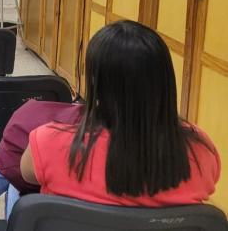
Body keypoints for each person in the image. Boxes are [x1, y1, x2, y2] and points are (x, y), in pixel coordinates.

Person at [20, 20, 220, 207]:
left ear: (95, 82)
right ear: (164, 81)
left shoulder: (49, 142)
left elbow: (26, 174)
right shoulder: (201, 151)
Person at [0, 99, 83, 217]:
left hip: (48, 216)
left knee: (11, 165)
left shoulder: (51, 133)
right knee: (10, 163)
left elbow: (25, 173)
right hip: (74, 214)